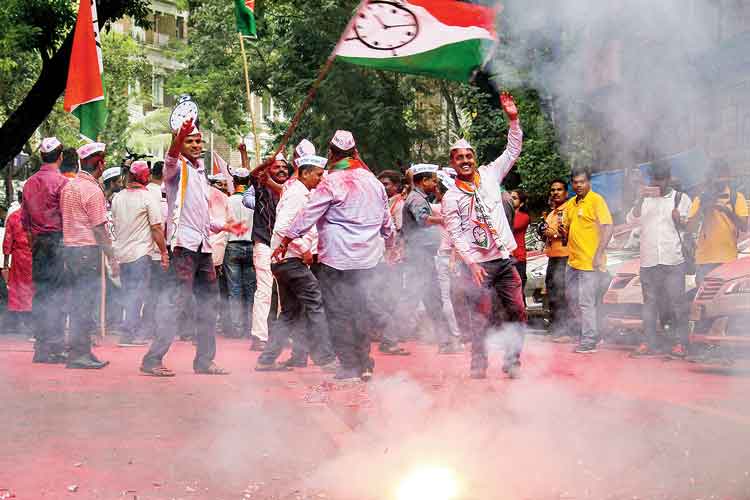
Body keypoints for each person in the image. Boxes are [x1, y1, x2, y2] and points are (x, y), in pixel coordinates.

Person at [273, 130, 394, 382]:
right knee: (361, 310)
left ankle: (349, 366)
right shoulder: (374, 182)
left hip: (337, 260)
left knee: (339, 313)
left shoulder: (331, 182)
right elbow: (387, 224)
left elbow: (307, 215)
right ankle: (365, 364)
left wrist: (286, 239)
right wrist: (390, 244)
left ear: (331, 154)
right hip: (369, 260)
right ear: (356, 152)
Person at [140, 118, 245, 377]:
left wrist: (226, 226)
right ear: (180, 143)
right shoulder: (176, 171)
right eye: (190, 140)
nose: (197, 144)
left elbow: (203, 218)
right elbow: (170, 159)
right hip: (183, 248)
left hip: (203, 249)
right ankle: (152, 359)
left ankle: (204, 361)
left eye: (198, 140)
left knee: (209, 304)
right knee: (175, 304)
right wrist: (178, 138)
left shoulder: (200, 173)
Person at [442, 91, 525, 380]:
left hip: (504, 261)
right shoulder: (451, 197)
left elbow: (513, 149)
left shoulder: (491, 174)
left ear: (475, 158)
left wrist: (512, 119)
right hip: (477, 267)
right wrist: (473, 264)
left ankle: (512, 361)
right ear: (453, 163)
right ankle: (478, 362)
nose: (465, 160)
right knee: (481, 317)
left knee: (518, 310)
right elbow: (455, 232)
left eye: (468, 155)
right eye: (459, 158)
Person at [257, 154, 338, 372]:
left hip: (285, 261)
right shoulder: (296, 195)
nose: (321, 179)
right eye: (318, 175)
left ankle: (267, 360)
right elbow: (282, 227)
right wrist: (304, 250)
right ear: (305, 173)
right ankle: (326, 358)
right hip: (291, 260)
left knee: (290, 311)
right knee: (315, 303)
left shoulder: (299, 193)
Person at [60, 142, 118, 369]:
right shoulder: (92, 190)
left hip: (71, 250)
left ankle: (81, 351)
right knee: (84, 304)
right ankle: (79, 355)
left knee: (77, 303)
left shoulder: (69, 187)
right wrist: (111, 257)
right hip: (87, 251)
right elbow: (100, 228)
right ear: (100, 164)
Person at [627, 161, 691, 358]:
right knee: (649, 304)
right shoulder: (645, 199)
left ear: (668, 179)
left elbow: (688, 226)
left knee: (677, 303)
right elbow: (631, 220)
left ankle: (680, 343)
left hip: (673, 260)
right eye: (654, 179)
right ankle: (649, 342)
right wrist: (639, 199)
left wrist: (679, 219)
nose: (658, 184)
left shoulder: (680, 198)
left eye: (661, 179)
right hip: (649, 261)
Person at [401, 164, 461, 354]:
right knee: (415, 299)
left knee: (432, 299)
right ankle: (390, 337)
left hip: (422, 256)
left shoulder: (418, 197)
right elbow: (423, 219)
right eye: (433, 180)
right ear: (423, 181)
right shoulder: (417, 199)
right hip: (419, 257)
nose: (435, 184)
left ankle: (444, 342)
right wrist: (443, 219)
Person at [21, 137, 69, 363]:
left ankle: (41, 348)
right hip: (57, 242)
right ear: (60, 156)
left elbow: (25, 220)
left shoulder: (29, 183)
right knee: (58, 296)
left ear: (41, 156)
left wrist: (34, 243)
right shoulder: (62, 183)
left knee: (41, 295)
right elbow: (67, 217)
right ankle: (56, 347)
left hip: (39, 243)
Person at [110, 161, 168, 347]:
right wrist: (164, 252)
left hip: (122, 254)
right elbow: (156, 228)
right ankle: (129, 334)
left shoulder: (117, 198)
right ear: (146, 177)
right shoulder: (148, 197)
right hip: (140, 254)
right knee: (137, 294)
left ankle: (128, 329)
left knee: (129, 293)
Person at [562, 166, 614, 354]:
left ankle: (590, 340)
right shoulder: (571, 204)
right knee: (572, 299)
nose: (578, 185)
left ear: (589, 182)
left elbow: (608, 227)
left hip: (590, 263)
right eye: (575, 182)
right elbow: (566, 229)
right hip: (573, 261)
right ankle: (588, 333)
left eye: (582, 182)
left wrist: (599, 254)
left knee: (586, 302)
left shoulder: (596, 200)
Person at [244, 152, 289, 351]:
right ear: (269, 171)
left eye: (284, 167)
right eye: (277, 167)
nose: (282, 170)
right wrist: (265, 163)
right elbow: (252, 174)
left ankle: (280, 335)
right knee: (264, 290)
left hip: (284, 247)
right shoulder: (261, 184)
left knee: (284, 291)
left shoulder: (292, 189)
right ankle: (259, 336)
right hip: (263, 243)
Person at [687, 160, 748, 285]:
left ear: (727, 178)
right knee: (704, 297)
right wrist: (702, 207)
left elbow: (744, 226)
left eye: (722, 178)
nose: (719, 182)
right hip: (704, 259)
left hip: (728, 258)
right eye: (716, 178)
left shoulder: (736, 197)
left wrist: (726, 210)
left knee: (725, 299)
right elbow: (690, 228)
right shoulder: (701, 198)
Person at [223, 148, 256, 338]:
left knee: (234, 290)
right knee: (251, 289)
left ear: (234, 182)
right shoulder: (254, 200)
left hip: (233, 246)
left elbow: (224, 224)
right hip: (251, 246)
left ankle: (236, 328)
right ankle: (252, 327)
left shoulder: (229, 200)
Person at [434, 169, 465, 344]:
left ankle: (457, 334)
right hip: (455, 257)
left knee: (450, 298)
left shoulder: (440, 208)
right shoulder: (461, 205)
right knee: (459, 297)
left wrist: (453, 258)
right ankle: (461, 333)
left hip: (450, 257)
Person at [540, 179, 571, 342]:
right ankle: (556, 328)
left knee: (562, 294)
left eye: (559, 190)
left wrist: (551, 233)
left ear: (566, 192)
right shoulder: (552, 213)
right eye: (552, 190)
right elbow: (548, 234)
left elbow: (567, 232)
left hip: (565, 257)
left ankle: (566, 331)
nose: (555, 193)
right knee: (552, 293)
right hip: (552, 256)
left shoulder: (569, 209)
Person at [141, 160, 169, 339]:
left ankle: (146, 327)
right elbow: (161, 225)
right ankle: (157, 328)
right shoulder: (165, 195)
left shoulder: (141, 193)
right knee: (159, 291)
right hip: (159, 250)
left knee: (147, 291)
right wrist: (165, 251)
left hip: (143, 251)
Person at [3, 191, 34, 333]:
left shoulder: (13, 217)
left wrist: (5, 264)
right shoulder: (36, 217)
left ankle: (20, 321)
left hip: (18, 258)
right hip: (34, 256)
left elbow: (8, 241)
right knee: (33, 287)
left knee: (18, 288)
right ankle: (32, 320)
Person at [510, 189, 530, 306]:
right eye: (510, 197)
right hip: (507, 258)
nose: (510, 200)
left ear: (521, 203)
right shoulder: (505, 215)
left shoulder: (524, 217)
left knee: (518, 292)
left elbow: (510, 226)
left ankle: (523, 321)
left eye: (514, 198)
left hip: (518, 258)